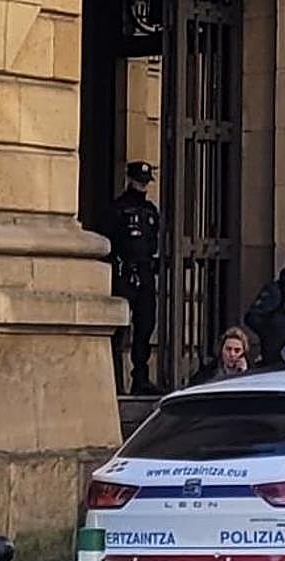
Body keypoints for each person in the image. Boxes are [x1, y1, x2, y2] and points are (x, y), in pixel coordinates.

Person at [104, 161, 162, 395]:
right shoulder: (117, 209)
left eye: (145, 181)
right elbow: (108, 242)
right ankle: (115, 380)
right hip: (124, 274)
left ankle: (141, 378)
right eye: (139, 180)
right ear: (129, 179)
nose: (142, 185)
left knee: (145, 326)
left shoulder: (150, 211)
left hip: (145, 274)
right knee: (119, 328)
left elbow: (153, 243)